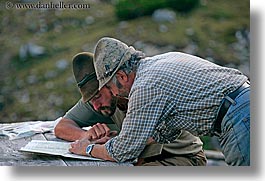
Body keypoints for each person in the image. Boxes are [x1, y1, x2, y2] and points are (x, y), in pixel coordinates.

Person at [69, 37, 250, 166]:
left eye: (109, 88)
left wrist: (88, 149)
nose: (114, 94)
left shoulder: (144, 87)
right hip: (244, 105)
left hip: (238, 118)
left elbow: (121, 153)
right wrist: (122, 140)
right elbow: (165, 131)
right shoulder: (158, 64)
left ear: (122, 77)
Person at [55, 52, 207, 166]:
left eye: (97, 96)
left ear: (109, 84)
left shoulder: (142, 94)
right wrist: (86, 135)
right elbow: (61, 127)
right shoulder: (101, 101)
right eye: (91, 99)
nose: (95, 106)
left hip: (183, 158)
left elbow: (128, 147)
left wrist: (90, 148)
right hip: (142, 160)